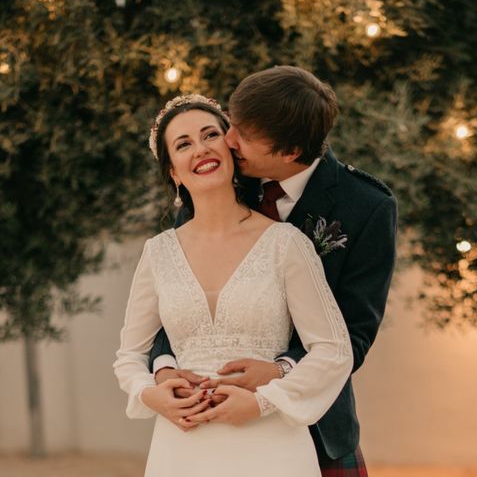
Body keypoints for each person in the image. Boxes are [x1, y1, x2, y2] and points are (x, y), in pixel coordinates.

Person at [149, 66, 398, 476]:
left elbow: (354, 334)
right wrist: (162, 369)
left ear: (289, 152)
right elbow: (177, 294)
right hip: (206, 421)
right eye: (233, 124)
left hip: (315, 425)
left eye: (242, 136)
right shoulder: (221, 178)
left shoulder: (366, 207)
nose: (227, 141)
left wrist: (281, 370)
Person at [113, 93, 354, 477]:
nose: (201, 149)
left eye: (210, 135)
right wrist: (150, 394)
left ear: (229, 147)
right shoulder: (158, 253)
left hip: (270, 446)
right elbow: (129, 355)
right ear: (173, 172)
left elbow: (333, 349)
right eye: (183, 144)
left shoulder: (285, 243)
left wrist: (265, 403)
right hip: (181, 449)